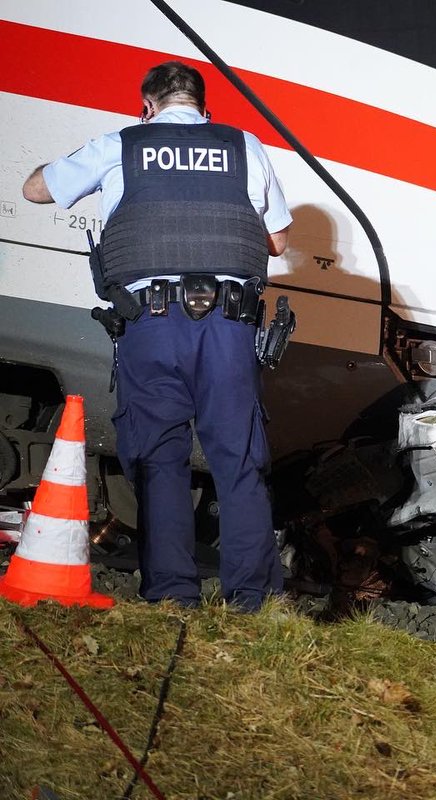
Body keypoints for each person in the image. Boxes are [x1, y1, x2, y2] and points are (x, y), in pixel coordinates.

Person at [22, 61, 293, 611]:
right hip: (228, 326)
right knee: (238, 458)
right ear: (203, 106)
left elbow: (34, 191)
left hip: (152, 323)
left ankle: (172, 596)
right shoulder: (244, 146)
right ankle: (253, 602)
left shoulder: (121, 143)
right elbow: (279, 242)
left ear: (147, 105)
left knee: (158, 458)